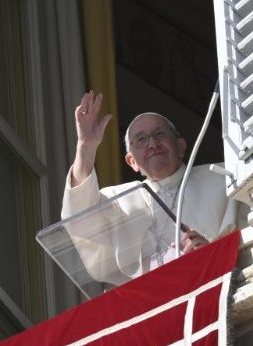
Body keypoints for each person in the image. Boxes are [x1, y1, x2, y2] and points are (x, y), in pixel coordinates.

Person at [61, 91, 242, 286]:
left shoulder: (223, 176)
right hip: (144, 303)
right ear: (132, 162)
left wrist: (213, 253)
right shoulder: (118, 199)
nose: (153, 144)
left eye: (160, 134)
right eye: (141, 140)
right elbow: (79, 219)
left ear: (180, 147)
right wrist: (85, 147)